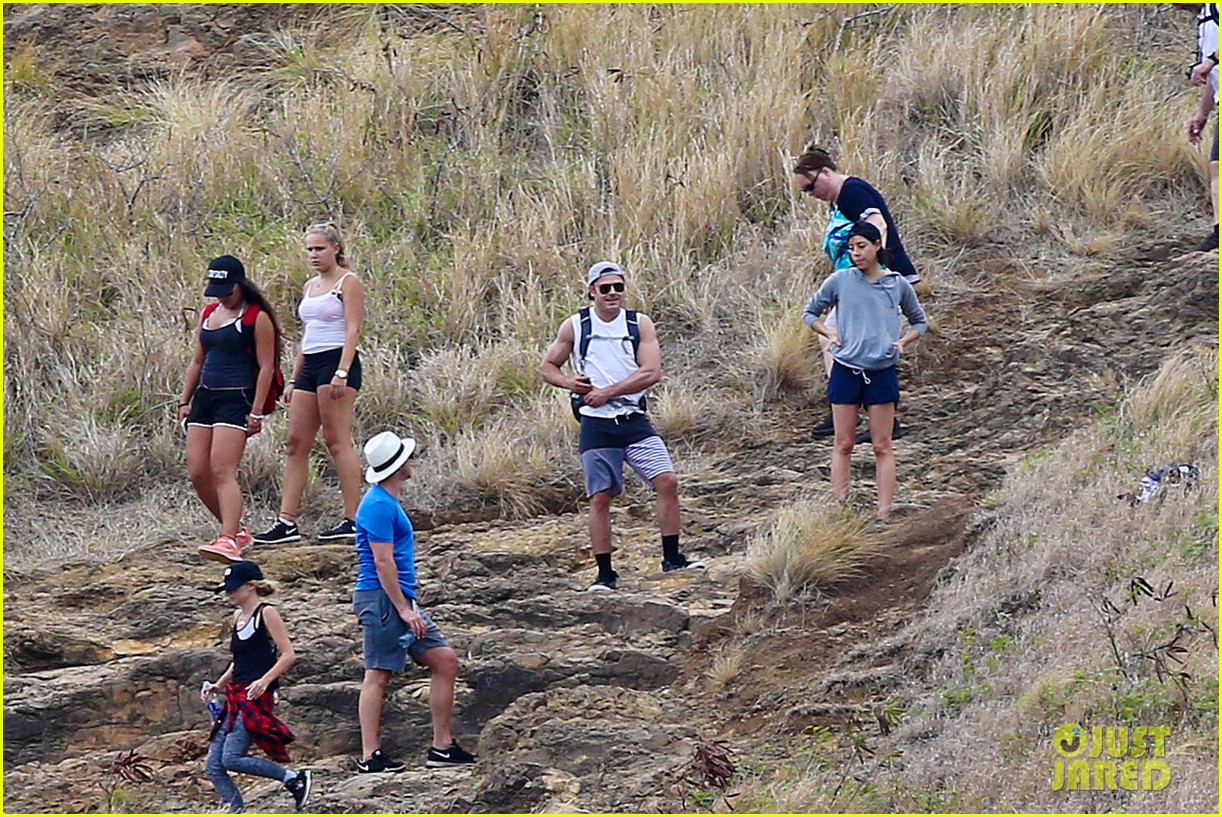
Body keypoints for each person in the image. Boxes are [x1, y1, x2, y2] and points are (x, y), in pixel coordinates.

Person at [539, 261, 703, 592]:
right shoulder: (575, 326)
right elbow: (546, 367)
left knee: (667, 480)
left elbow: (651, 372)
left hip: (632, 418)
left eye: (618, 287)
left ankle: (672, 558)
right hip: (596, 425)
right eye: (605, 288)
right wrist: (571, 383)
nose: (613, 293)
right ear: (591, 291)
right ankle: (605, 573)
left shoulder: (639, 323)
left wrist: (607, 392)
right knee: (599, 497)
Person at [352, 431, 476, 772]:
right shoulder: (377, 504)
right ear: (396, 466)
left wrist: (407, 605)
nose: (411, 461)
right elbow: (382, 562)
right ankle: (369, 756)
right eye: (406, 457)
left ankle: (442, 746)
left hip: (397, 598)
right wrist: (403, 609)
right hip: (383, 599)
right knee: (377, 673)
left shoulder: (385, 501)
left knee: (445, 661)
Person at [792, 146, 923, 443]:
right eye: (805, 191)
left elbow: (877, 224)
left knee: (851, 339)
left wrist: (876, 273)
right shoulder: (841, 198)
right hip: (862, 285)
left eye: (812, 186)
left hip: (879, 285)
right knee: (836, 336)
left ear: (825, 172)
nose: (812, 193)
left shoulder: (851, 192)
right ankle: (846, 403)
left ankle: (858, 408)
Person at [802, 221, 928, 523]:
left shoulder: (896, 284)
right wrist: (829, 335)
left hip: (881, 370)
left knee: (881, 444)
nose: (856, 253)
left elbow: (919, 322)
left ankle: (884, 514)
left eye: (861, 246)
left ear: (876, 247)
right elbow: (810, 313)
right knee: (843, 443)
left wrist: (902, 342)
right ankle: (841, 509)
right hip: (846, 369)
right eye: (851, 248)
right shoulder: (840, 280)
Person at [255, 223, 366, 545]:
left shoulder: (349, 282)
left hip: (336, 361)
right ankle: (286, 522)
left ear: (336, 248)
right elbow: (308, 335)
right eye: (309, 249)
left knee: (336, 440)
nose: (313, 255)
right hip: (310, 364)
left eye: (319, 248)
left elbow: (353, 329)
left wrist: (343, 371)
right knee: (294, 442)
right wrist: (293, 377)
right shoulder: (310, 286)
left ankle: (354, 518)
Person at [179, 256, 283, 563]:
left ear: (240, 284)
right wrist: (185, 400)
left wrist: (255, 411)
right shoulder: (209, 313)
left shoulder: (256, 317)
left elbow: (266, 367)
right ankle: (236, 530)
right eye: (217, 289)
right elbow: (198, 359)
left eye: (227, 289)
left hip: (236, 398)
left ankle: (228, 539)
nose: (222, 295)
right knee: (198, 472)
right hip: (205, 397)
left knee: (222, 470)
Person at [202, 560, 312, 812]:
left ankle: (292, 778)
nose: (229, 594)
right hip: (235, 694)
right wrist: (218, 685)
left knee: (231, 757)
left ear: (251, 586)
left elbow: (288, 654)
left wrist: (265, 680)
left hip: (255, 696)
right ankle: (234, 808)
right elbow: (240, 660)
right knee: (214, 765)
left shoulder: (267, 613)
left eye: (233, 588)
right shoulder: (237, 616)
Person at [1186, 3, 1220, 252]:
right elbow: (1214, 76)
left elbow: (1212, 66)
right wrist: (1202, 113)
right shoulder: (1206, 20)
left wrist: (1210, 61)